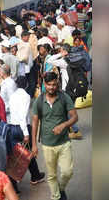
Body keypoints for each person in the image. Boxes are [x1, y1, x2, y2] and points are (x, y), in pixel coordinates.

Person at [31, 72, 78, 200]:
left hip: (64, 142)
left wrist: (63, 125)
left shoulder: (64, 97)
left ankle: (61, 189)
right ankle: (56, 196)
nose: (52, 87)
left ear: (57, 83)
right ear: (44, 84)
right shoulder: (39, 101)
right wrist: (34, 145)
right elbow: (35, 122)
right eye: (49, 85)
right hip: (47, 145)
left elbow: (75, 117)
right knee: (51, 175)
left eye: (54, 84)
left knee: (67, 172)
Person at [7, 76, 45, 185]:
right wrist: (26, 133)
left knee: (16, 155)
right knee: (27, 153)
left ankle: (14, 183)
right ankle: (35, 176)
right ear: (26, 84)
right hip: (22, 128)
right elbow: (23, 116)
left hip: (12, 127)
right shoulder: (26, 96)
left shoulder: (12, 96)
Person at [17, 31, 35, 96]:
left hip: (26, 67)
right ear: (23, 37)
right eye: (28, 36)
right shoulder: (24, 44)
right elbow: (22, 57)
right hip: (26, 67)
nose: (28, 38)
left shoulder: (22, 44)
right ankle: (29, 95)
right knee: (30, 83)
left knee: (29, 83)